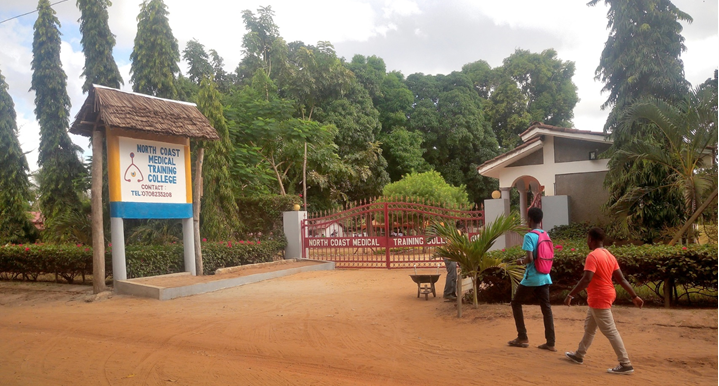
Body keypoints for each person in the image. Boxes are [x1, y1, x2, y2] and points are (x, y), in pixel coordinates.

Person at [564, 227, 643, 375]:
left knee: (610, 331)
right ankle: (579, 355)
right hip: (604, 295)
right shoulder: (609, 256)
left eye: (588, 239)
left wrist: (570, 294)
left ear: (591, 240)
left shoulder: (592, 256)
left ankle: (625, 363)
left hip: (599, 297)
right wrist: (634, 296)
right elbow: (622, 279)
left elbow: (586, 279)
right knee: (590, 327)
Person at [508, 207, 555, 352]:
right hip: (545, 276)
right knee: (546, 308)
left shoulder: (530, 236)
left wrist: (520, 262)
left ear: (530, 219)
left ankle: (522, 337)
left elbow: (529, 258)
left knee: (516, 303)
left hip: (532, 277)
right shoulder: (545, 234)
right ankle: (550, 342)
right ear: (540, 220)